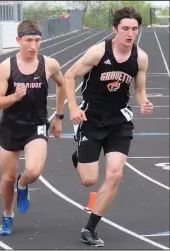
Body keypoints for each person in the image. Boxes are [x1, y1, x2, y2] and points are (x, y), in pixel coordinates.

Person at [64, 6, 153, 247]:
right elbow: (69, 75)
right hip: (91, 119)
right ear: (115, 29)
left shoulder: (140, 57)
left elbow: (139, 89)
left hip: (119, 122)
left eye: (134, 29)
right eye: (125, 28)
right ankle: (80, 156)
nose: (130, 33)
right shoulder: (98, 52)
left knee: (115, 174)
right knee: (89, 181)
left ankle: (90, 228)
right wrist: (73, 109)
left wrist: (144, 102)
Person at [0, 20, 66, 236]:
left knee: (32, 171)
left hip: (37, 125)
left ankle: (23, 186)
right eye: (28, 41)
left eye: (37, 40)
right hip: (11, 126)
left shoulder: (49, 64)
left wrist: (58, 116)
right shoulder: (7, 67)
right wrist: (14, 96)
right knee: (7, 177)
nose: (33, 46)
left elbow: (62, 84)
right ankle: (7, 215)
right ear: (18, 41)